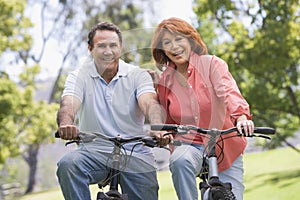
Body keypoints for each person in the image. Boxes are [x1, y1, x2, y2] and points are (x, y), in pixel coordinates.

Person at [56, 21, 171, 200]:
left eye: (113, 45)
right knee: (68, 164)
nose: (108, 51)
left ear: (120, 47)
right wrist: (66, 123)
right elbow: (68, 103)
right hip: (94, 152)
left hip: (135, 153)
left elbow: (149, 103)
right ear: (90, 48)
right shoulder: (79, 76)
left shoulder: (137, 75)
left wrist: (157, 127)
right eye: (101, 46)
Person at [151, 17, 254, 200]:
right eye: (167, 42)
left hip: (224, 143)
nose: (174, 47)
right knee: (179, 160)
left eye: (178, 39)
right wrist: (164, 134)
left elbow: (229, 92)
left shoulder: (212, 64)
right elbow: (168, 122)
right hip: (189, 144)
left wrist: (241, 117)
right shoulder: (165, 80)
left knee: (231, 196)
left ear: (190, 40)